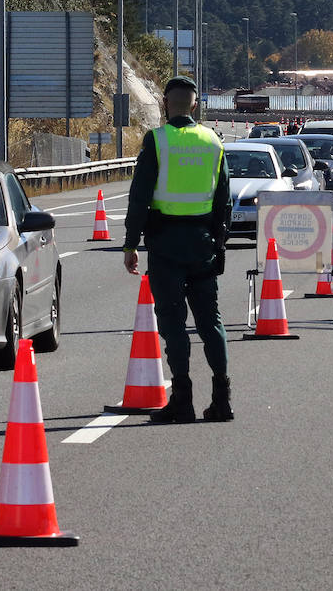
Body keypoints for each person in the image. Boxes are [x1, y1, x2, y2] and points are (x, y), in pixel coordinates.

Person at [123, 76, 234, 424]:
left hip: (166, 245)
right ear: (196, 105)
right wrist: (219, 242)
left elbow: (140, 197)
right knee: (210, 323)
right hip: (202, 244)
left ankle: (182, 400)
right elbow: (223, 201)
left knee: (173, 325)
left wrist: (130, 244)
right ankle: (222, 399)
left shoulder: (157, 141)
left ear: (165, 105)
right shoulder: (213, 141)